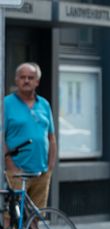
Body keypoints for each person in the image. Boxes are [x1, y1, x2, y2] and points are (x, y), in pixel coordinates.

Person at [3, 62, 57, 210]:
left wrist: (50, 167)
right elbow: (1, 137)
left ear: (37, 82)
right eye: (22, 77)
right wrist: (10, 165)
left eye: (30, 77)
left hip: (41, 171)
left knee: (36, 214)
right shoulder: (6, 104)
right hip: (17, 172)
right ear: (16, 80)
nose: (26, 80)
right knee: (11, 215)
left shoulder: (44, 104)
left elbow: (51, 137)